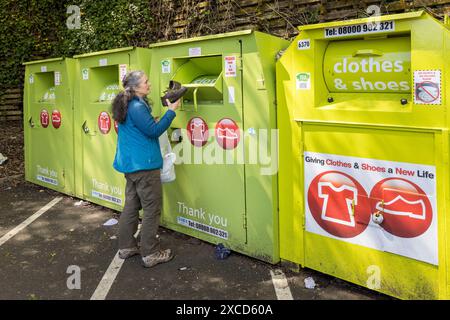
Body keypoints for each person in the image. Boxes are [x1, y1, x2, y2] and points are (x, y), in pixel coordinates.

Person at [111, 70, 180, 268]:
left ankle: (126, 247)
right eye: (146, 82)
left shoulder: (127, 103)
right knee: (151, 208)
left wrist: (154, 120)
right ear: (135, 87)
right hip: (144, 166)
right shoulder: (137, 106)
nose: (149, 84)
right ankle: (150, 253)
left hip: (130, 164)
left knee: (132, 205)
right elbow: (154, 131)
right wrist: (171, 111)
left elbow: (140, 128)